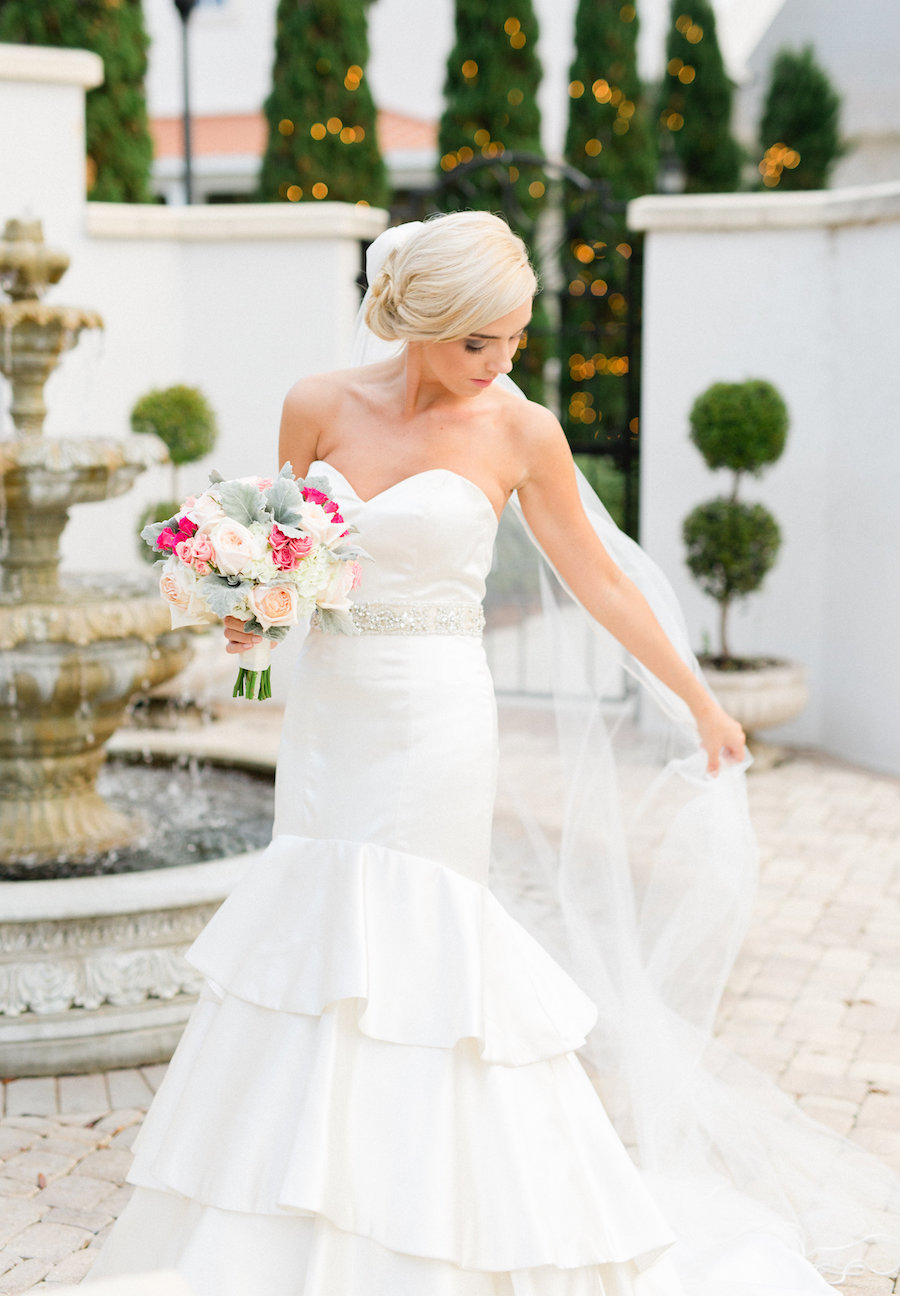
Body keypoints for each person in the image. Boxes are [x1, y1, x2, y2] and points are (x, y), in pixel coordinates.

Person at [87, 213, 897, 1294]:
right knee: (317, 939)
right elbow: (288, 560)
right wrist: (253, 618)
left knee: (421, 945)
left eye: (515, 339)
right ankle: (299, 1219)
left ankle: (438, 1219)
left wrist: (696, 700)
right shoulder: (317, 405)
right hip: (332, 716)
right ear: (419, 321)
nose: (503, 362)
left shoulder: (520, 431)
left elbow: (602, 578)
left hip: (433, 721)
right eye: (483, 342)